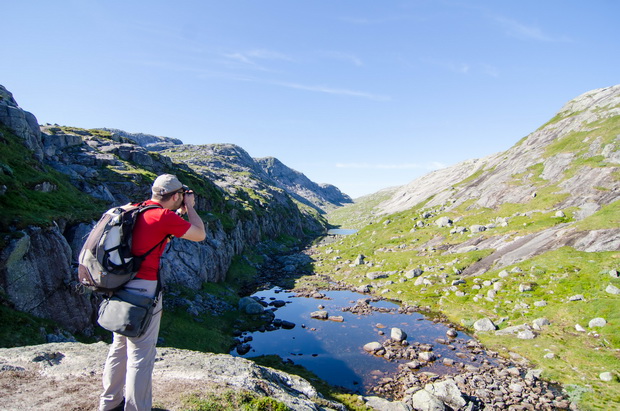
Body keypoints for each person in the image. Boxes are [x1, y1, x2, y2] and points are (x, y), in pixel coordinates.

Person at [99, 174, 206, 411]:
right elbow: (200, 234)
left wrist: (178, 210)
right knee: (141, 355)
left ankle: (109, 404)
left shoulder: (134, 209)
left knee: (119, 348)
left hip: (118, 286)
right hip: (144, 291)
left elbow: (154, 233)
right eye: (181, 197)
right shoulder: (163, 216)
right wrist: (190, 208)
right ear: (177, 195)